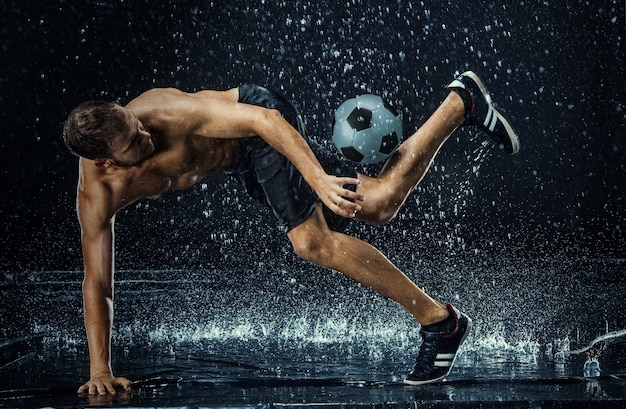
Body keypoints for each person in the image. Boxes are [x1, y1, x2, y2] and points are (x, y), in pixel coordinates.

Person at [63, 71, 519, 395]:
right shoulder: (96, 197)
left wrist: (318, 180)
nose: (145, 134)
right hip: (245, 160)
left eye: (136, 124)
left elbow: (265, 122)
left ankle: (440, 324)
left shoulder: (166, 113)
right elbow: (97, 282)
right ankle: (462, 104)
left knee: (311, 242)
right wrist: (100, 368)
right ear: (105, 162)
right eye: (134, 142)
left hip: (262, 120)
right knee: (379, 204)